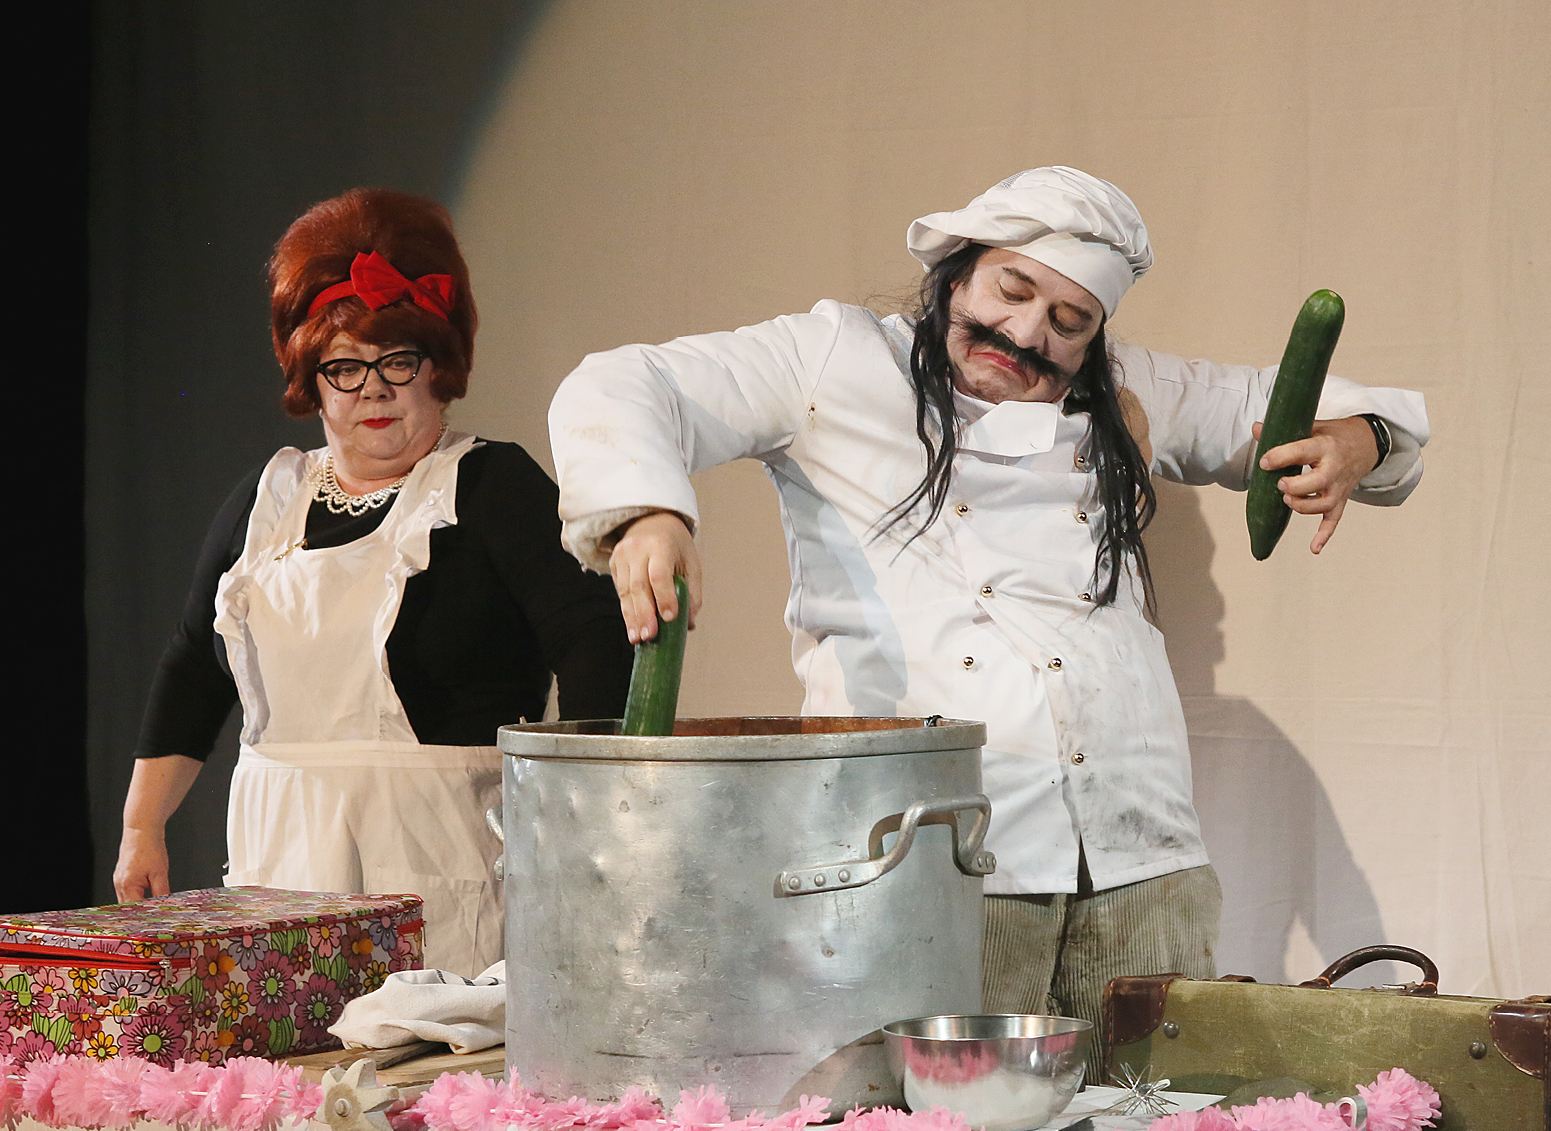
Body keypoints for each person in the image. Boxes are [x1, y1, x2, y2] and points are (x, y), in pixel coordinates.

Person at [546, 167, 1429, 1078]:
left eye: (1069, 321)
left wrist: (1358, 441)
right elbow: (621, 383)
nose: (1026, 333)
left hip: (1139, 851)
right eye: (1012, 290)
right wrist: (650, 512)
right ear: (957, 271)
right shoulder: (834, 362)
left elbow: (1349, 411)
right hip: (933, 856)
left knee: (1161, 1129)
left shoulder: (1125, 393)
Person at [114, 189, 633, 976]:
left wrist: (586, 823)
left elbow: (596, 643)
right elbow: (193, 664)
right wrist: (142, 827)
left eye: (397, 360)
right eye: (345, 368)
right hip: (279, 865)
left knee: (429, 1078)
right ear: (311, 380)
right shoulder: (266, 504)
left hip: (441, 860)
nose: (374, 391)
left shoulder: (492, 487)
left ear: (437, 367)